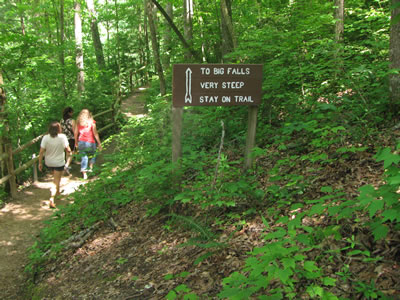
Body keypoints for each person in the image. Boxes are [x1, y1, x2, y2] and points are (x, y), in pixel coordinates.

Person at [38, 121, 71, 208]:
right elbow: (68, 149)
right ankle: (52, 198)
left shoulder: (45, 138)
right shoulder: (62, 137)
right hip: (59, 162)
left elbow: (41, 152)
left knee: (56, 178)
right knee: (56, 180)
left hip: (48, 162)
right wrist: (69, 153)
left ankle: (58, 192)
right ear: (59, 129)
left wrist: (40, 163)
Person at [74, 109, 102, 179]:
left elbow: (75, 133)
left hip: (81, 142)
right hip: (90, 142)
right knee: (94, 154)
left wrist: (76, 142)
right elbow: (95, 133)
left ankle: (84, 174)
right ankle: (91, 167)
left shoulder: (78, 122)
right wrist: (99, 143)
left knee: (84, 157)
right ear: (89, 114)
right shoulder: (92, 122)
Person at [60, 107, 76, 174]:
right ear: (69, 113)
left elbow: (60, 130)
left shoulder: (61, 121)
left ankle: (67, 165)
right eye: (72, 112)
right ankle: (66, 166)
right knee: (72, 152)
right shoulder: (72, 121)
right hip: (71, 138)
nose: (72, 113)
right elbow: (75, 131)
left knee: (67, 153)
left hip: (64, 138)